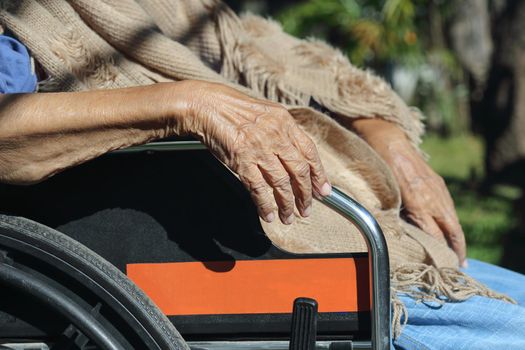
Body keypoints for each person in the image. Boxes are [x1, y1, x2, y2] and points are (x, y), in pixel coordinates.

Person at [0, 1, 523, 348]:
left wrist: (392, 142)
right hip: (226, 265)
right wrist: (186, 103)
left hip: (368, 244)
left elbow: (261, 46)